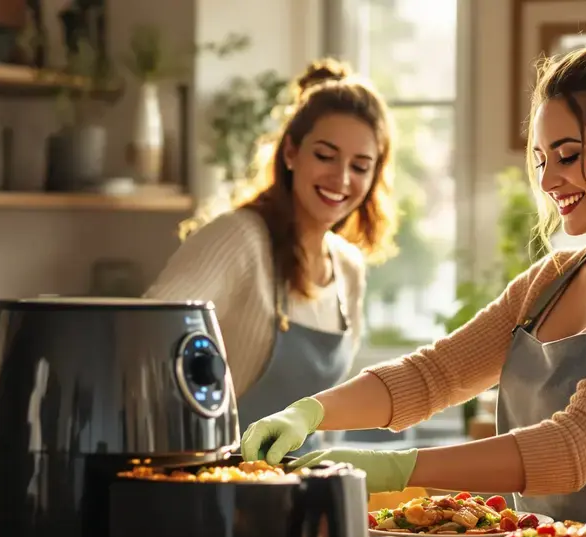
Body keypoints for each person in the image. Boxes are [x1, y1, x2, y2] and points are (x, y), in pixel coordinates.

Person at [240, 0, 586, 527]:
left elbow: (578, 445)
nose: (547, 182)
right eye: (540, 160)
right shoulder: (552, 282)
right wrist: (310, 411)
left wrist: (393, 468)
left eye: (567, 155)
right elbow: (433, 375)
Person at [145, 59, 398, 453]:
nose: (342, 178)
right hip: (218, 486)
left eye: (360, 166)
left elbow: (330, 415)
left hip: (305, 493)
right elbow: (146, 332)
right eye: (325, 156)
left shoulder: (349, 269)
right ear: (291, 153)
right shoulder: (238, 238)